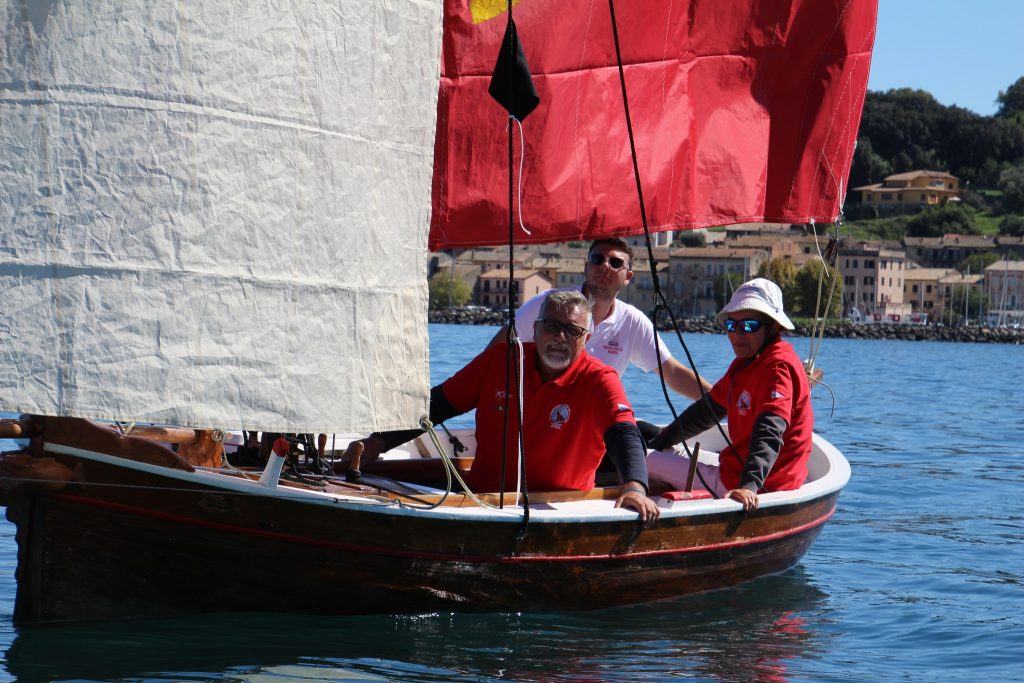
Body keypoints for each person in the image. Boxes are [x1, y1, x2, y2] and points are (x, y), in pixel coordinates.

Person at [343, 290, 660, 524]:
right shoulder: (500, 360)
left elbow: (624, 435)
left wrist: (634, 486)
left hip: (563, 509)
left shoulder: (599, 378)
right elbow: (437, 404)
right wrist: (378, 441)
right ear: (534, 328)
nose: (559, 337)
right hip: (480, 504)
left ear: (586, 337)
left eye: (572, 331)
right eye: (551, 326)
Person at [644, 278, 813, 511]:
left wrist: (748, 486)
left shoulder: (777, 367)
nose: (736, 334)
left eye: (748, 326)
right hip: (745, 474)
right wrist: (659, 442)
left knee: (640, 458)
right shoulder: (745, 364)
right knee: (655, 442)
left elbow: (770, 428)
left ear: (773, 327)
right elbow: (706, 412)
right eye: (731, 326)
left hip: (750, 486)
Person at [489, 238, 710, 400]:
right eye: (597, 259)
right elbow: (494, 354)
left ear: (628, 278)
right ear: (586, 268)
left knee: (651, 443)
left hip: (593, 422)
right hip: (538, 416)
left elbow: (672, 372)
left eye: (615, 263)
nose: (605, 265)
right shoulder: (547, 305)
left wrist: (722, 402)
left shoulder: (632, 321)